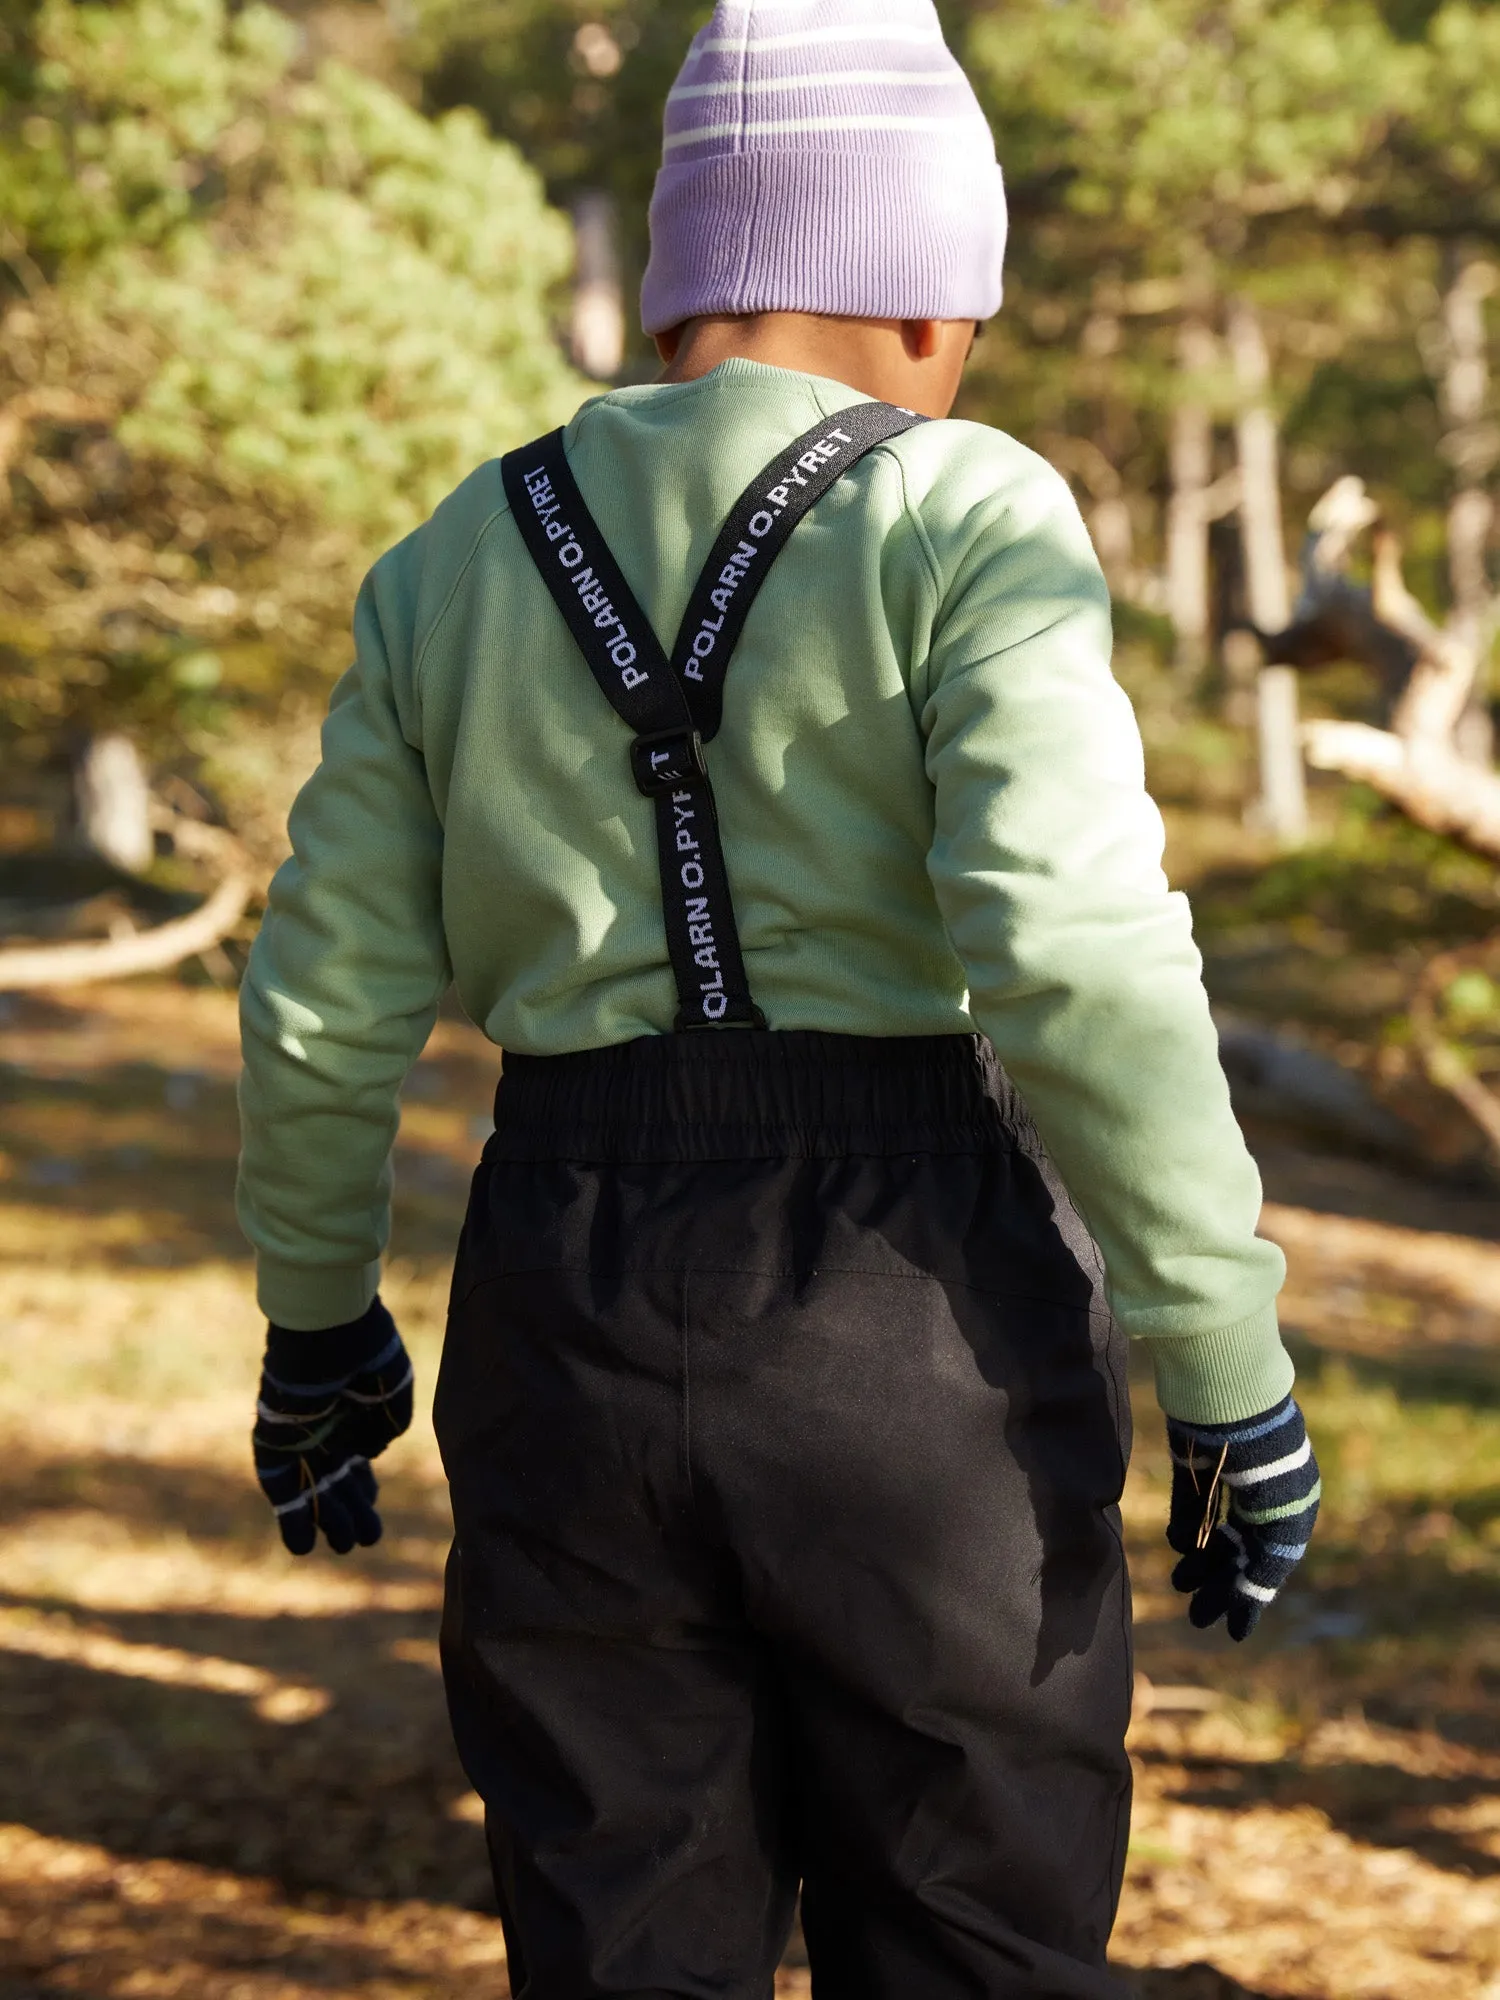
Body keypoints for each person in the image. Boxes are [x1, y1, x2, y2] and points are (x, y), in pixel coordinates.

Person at [239, 2, 1322, 1993]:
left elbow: (319, 996)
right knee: (971, 1924)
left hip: (557, 1285)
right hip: (922, 1312)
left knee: (617, 1924)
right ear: (925, 300)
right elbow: (1073, 950)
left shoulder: (449, 557)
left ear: (680, 298)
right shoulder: (965, 508)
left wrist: (318, 1321)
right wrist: (1224, 1347)